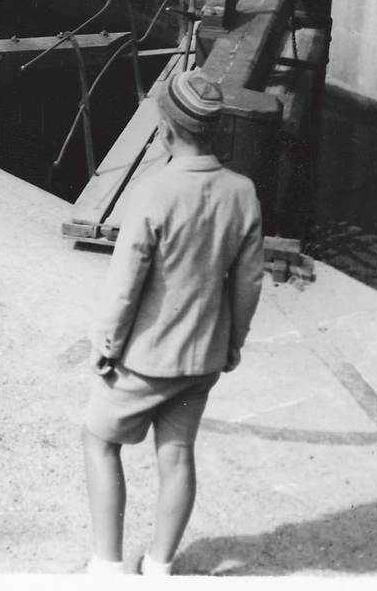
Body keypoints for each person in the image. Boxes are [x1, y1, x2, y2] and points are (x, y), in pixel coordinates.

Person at [82, 68, 263, 576]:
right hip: (203, 356)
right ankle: (159, 567)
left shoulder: (153, 189)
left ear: (165, 130)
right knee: (178, 453)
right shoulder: (243, 192)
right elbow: (248, 283)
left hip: (146, 359)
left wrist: (108, 343)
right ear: (214, 129)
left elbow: (127, 279)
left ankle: (107, 565)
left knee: (99, 440)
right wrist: (233, 343)